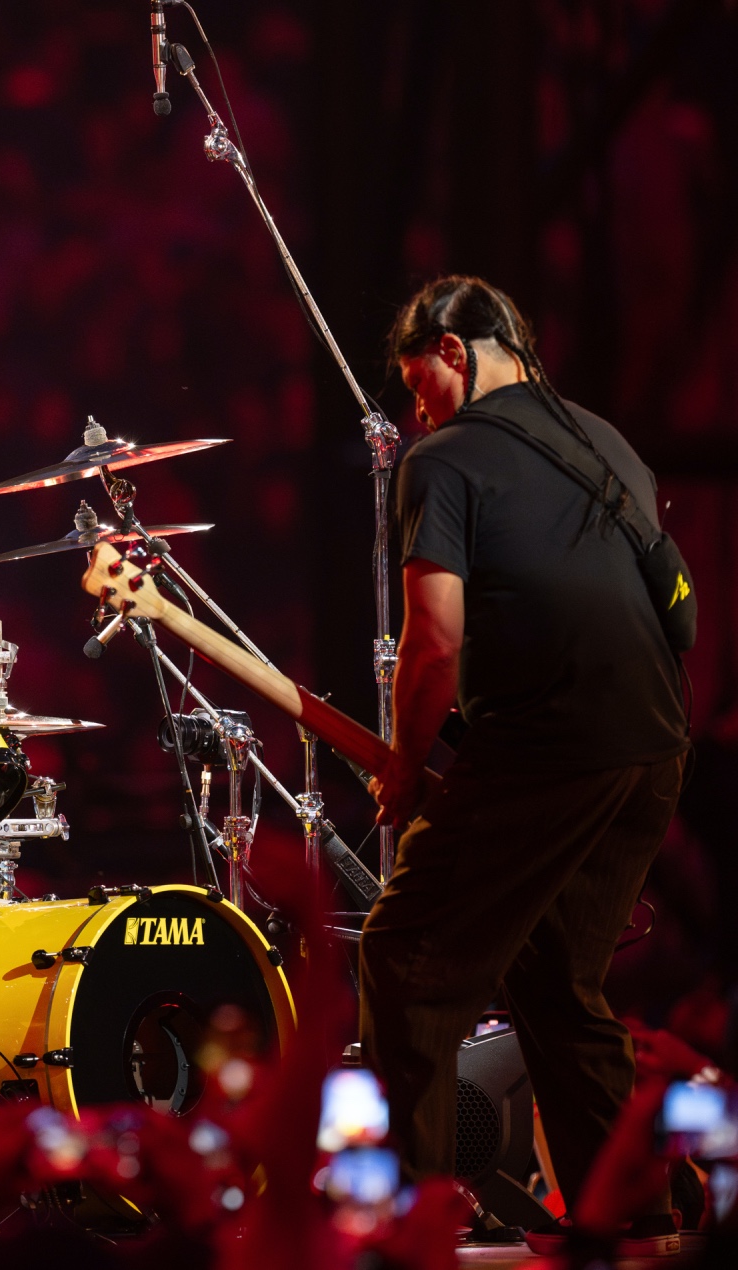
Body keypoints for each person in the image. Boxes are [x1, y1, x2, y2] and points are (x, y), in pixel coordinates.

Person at [363, 276, 689, 1256]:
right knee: (557, 980)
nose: (410, 403)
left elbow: (430, 641)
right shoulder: (605, 443)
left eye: (414, 379)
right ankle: (633, 1222)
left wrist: (402, 763)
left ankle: (408, 1224)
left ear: (453, 350)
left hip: (547, 747)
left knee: (404, 961)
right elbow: (675, 612)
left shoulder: (442, 459)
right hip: (647, 747)